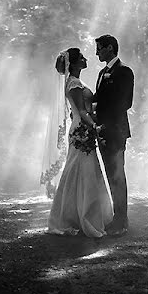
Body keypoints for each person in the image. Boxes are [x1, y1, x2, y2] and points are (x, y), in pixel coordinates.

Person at [46, 47, 114, 237]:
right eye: (82, 57)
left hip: (81, 127)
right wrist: (95, 127)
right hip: (82, 128)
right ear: (74, 63)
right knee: (82, 170)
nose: (86, 59)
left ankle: (78, 214)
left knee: (82, 169)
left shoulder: (75, 82)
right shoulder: (74, 84)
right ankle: (82, 216)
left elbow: (79, 109)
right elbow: (82, 112)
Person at [92, 34, 134, 236]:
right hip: (101, 131)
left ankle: (122, 220)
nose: (97, 52)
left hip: (116, 131)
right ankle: (116, 218)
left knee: (118, 174)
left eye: (99, 48)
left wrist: (106, 122)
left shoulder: (124, 71)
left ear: (110, 48)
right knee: (109, 174)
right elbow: (97, 100)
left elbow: (125, 103)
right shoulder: (102, 73)